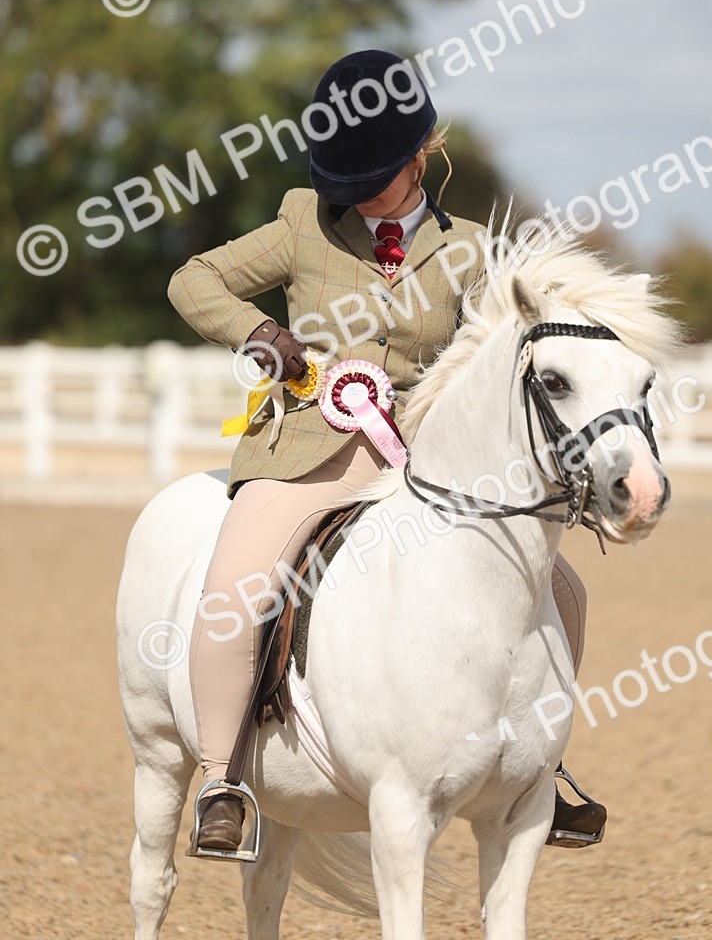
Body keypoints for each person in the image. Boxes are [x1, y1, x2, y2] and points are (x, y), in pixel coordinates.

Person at [167, 49, 605, 856]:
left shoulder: (473, 248)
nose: (359, 196)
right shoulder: (302, 222)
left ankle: (541, 768)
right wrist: (264, 334)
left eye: (376, 175)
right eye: (347, 180)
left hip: (424, 469)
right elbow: (195, 281)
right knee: (237, 586)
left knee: (565, 590)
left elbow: (502, 353)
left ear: (422, 154)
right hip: (310, 455)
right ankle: (223, 775)